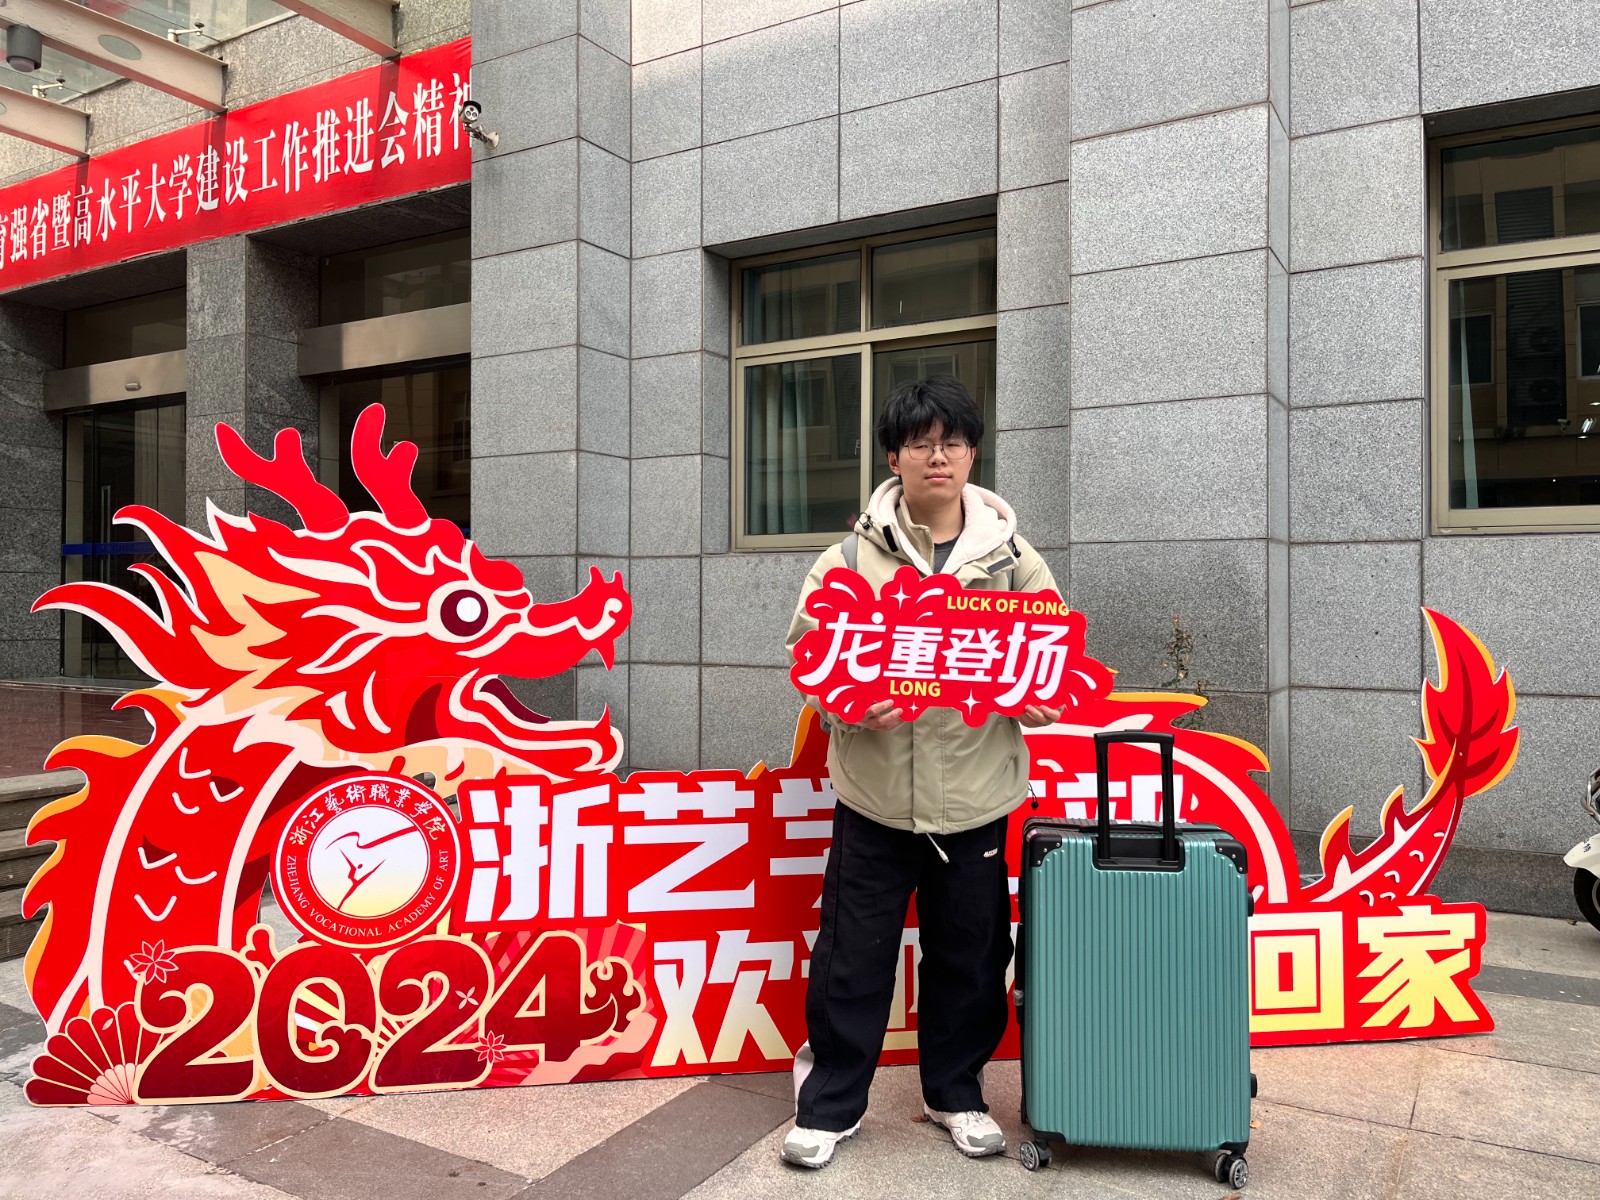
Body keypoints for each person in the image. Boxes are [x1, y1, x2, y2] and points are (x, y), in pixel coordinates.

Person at [780, 375, 1062, 1169]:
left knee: (971, 959)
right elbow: (809, 658)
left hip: (975, 800)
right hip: (874, 800)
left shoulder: (1014, 561)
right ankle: (829, 1107)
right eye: (920, 443)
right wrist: (845, 706)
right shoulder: (847, 559)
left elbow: (1052, 665)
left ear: (972, 455)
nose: (938, 457)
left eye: (953, 442)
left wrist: (1037, 697)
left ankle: (956, 1094)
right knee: (852, 958)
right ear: (893, 458)